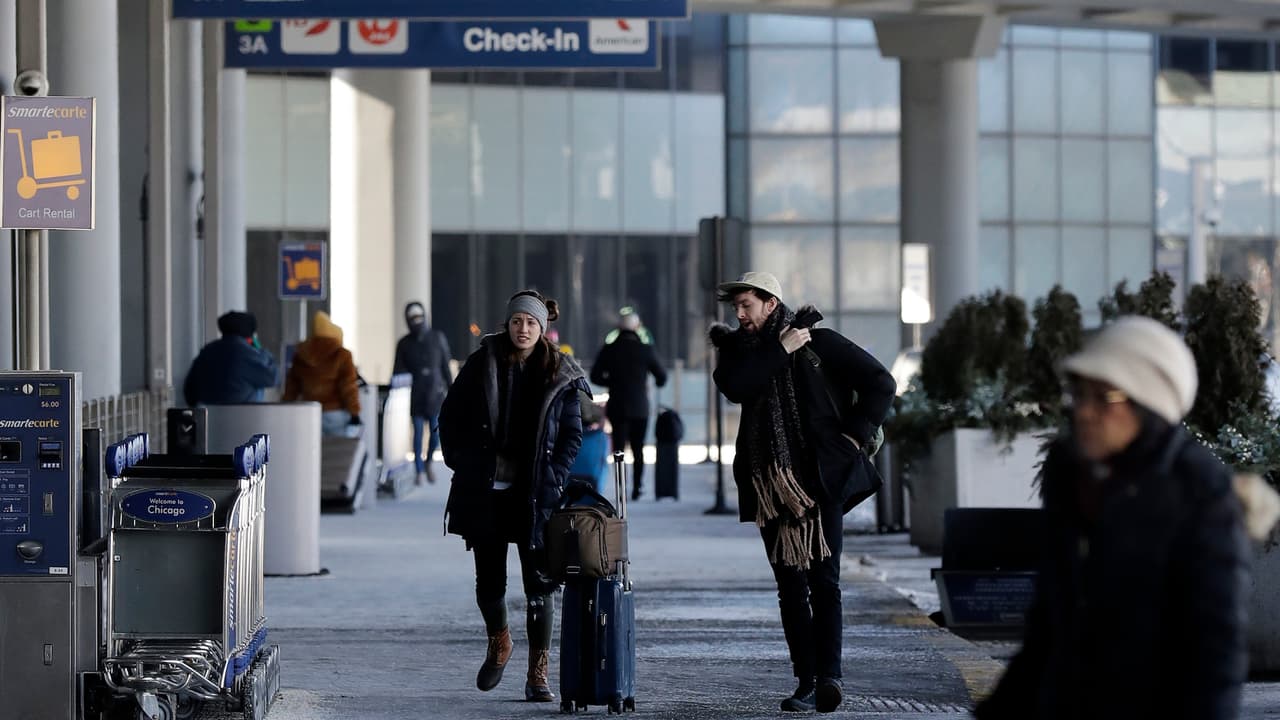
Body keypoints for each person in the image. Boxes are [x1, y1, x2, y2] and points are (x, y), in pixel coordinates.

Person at [974, 316, 1255, 720]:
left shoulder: (1198, 489)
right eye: (1079, 395)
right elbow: (1049, 623)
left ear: (1150, 405)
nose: (1085, 412)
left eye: (1106, 397)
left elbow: (1215, 651)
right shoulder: (1069, 470)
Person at [710, 272, 895, 714]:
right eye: (735, 307)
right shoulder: (737, 354)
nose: (739, 315)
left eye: (746, 306)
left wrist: (851, 439)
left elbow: (881, 383)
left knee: (824, 581)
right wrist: (780, 349)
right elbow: (738, 386)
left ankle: (830, 677)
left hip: (818, 480)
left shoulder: (820, 342)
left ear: (771, 304)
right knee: (790, 587)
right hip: (769, 488)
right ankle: (806, 681)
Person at [439, 289, 589, 703]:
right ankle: (499, 641)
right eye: (517, 321)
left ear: (543, 329)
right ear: (508, 323)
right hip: (486, 491)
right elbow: (448, 417)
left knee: (539, 583)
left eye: (532, 323)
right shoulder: (481, 363)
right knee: (489, 581)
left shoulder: (559, 371)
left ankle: (539, 669)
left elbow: (572, 434)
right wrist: (462, 463)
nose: (523, 329)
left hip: (534, 495)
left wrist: (554, 477)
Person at [590, 308, 668, 500]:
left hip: (617, 405)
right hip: (640, 407)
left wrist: (613, 382)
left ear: (618, 327)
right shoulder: (645, 349)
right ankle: (638, 487)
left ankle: (620, 486)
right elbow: (662, 377)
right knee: (638, 448)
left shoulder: (609, 349)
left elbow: (595, 376)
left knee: (618, 448)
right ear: (637, 327)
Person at [394, 302, 453, 485]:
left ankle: (428, 463)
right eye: (413, 319)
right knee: (418, 434)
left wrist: (452, 391)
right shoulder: (404, 343)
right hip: (416, 394)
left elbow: (445, 365)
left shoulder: (437, 337)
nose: (417, 322)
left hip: (435, 394)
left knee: (436, 435)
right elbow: (398, 370)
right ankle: (419, 470)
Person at [282, 311, 361, 438]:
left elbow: (292, 387)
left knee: (312, 453)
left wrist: (285, 407)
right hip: (335, 413)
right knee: (337, 453)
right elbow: (348, 387)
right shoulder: (342, 354)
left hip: (308, 412)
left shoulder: (301, 354)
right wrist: (355, 413)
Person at [183, 310, 279, 407]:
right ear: (250, 336)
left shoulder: (207, 351)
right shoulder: (247, 354)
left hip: (208, 418)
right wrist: (261, 351)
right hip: (243, 418)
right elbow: (273, 378)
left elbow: (189, 391)